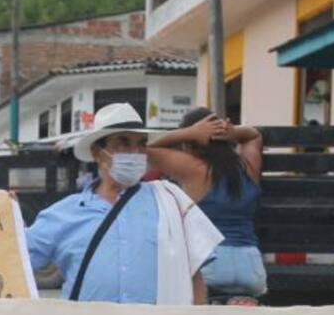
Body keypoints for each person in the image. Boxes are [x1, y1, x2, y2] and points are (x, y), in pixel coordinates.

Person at [27, 102, 222, 304]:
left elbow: (194, 274)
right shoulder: (63, 214)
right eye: (122, 143)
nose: (135, 152)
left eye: (141, 144)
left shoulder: (170, 202)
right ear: (96, 152)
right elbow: (16, 263)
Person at [146, 107, 266, 303]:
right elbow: (254, 136)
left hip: (210, 264)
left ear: (189, 144)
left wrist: (189, 132)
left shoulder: (193, 169)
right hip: (250, 266)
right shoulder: (247, 167)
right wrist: (231, 131)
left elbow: (144, 148)